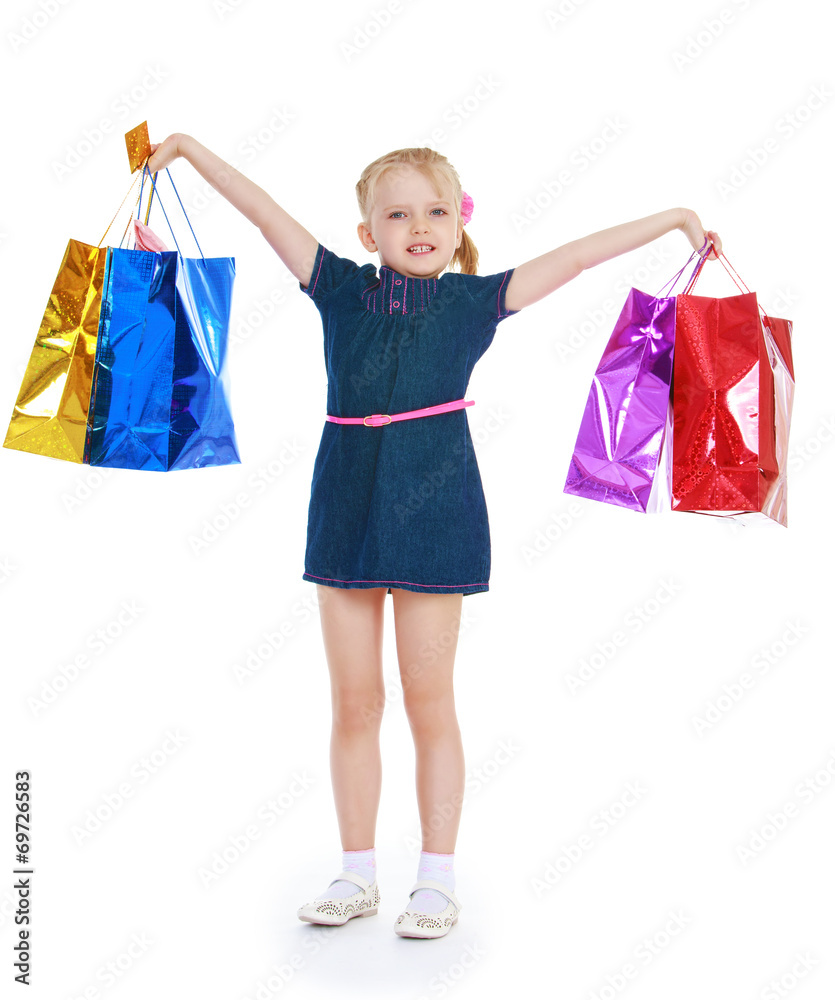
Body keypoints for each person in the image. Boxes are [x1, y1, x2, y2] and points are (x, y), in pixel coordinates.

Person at [147, 135, 721, 939]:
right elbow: (259, 206)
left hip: (438, 513)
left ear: (459, 224)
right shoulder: (338, 289)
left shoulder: (472, 302)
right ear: (367, 233)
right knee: (354, 702)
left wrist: (675, 218)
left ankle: (437, 881)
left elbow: (580, 257)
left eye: (436, 211)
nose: (419, 225)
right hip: (345, 510)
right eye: (398, 213)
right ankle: (356, 873)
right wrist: (186, 152)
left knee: (428, 701)